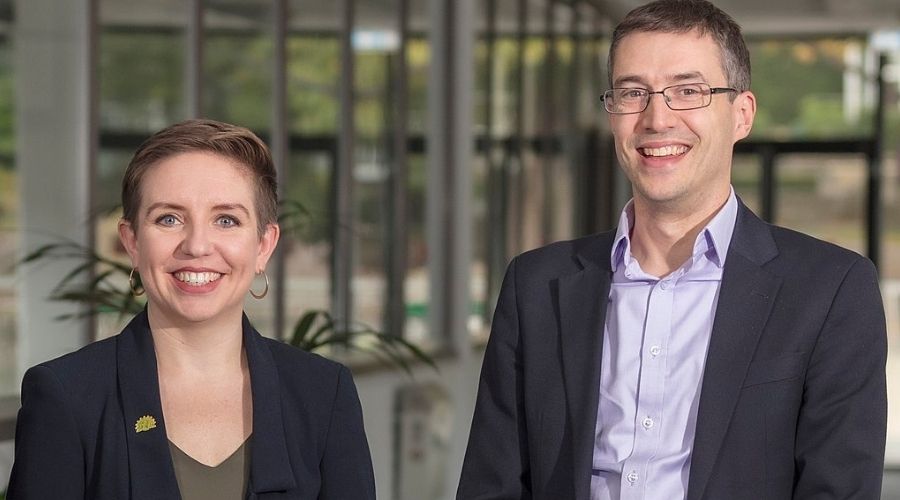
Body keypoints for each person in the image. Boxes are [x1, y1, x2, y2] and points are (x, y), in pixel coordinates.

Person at [457, 1, 888, 499]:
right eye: (632, 92)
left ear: (742, 114)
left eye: (688, 91)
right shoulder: (535, 285)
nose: (657, 118)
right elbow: (490, 486)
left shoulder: (830, 291)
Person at [8, 119, 376, 499]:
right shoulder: (66, 396)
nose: (197, 245)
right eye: (169, 219)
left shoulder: (323, 393)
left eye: (226, 220)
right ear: (132, 242)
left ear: (263, 246)